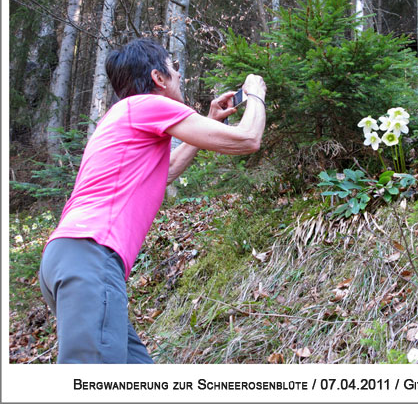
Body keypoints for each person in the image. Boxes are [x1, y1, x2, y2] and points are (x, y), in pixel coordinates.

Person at [39, 38, 267, 363]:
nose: (179, 76)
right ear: (158, 78)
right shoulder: (149, 105)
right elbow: (248, 139)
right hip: (91, 256)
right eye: (173, 69)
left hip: (68, 258)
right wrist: (255, 93)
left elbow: (168, 170)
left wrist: (211, 121)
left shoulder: (122, 117)